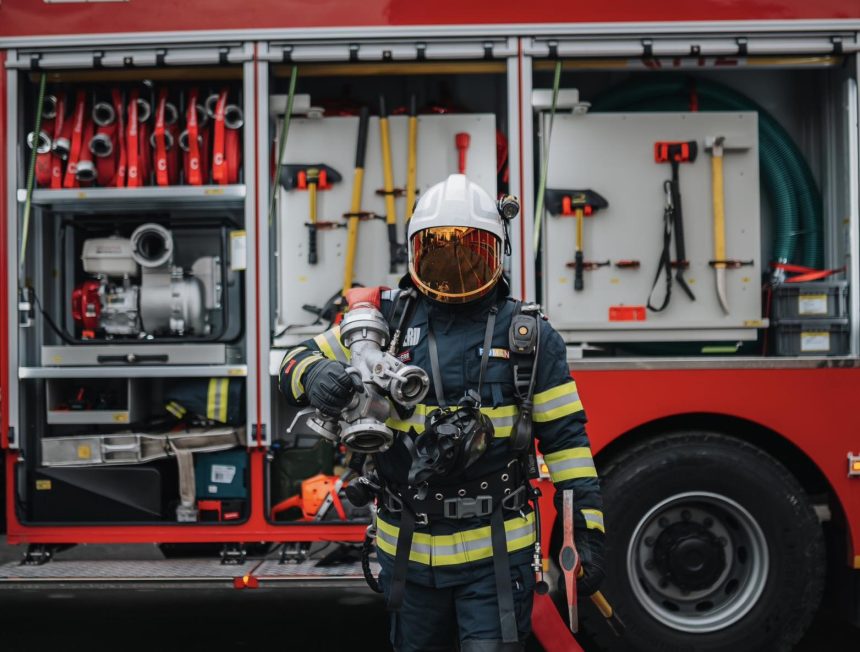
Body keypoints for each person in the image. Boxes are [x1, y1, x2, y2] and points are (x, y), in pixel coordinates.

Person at [279, 174, 604, 652]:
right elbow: (291, 363)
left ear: (498, 253)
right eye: (437, 250)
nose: (454, 264)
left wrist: (586, 532)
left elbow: (567, 443)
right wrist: (316, 376)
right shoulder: (382, 321)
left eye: (471, 250)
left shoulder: (528, 337)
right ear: (413, 254)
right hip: (407, 554)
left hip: (497, 559)